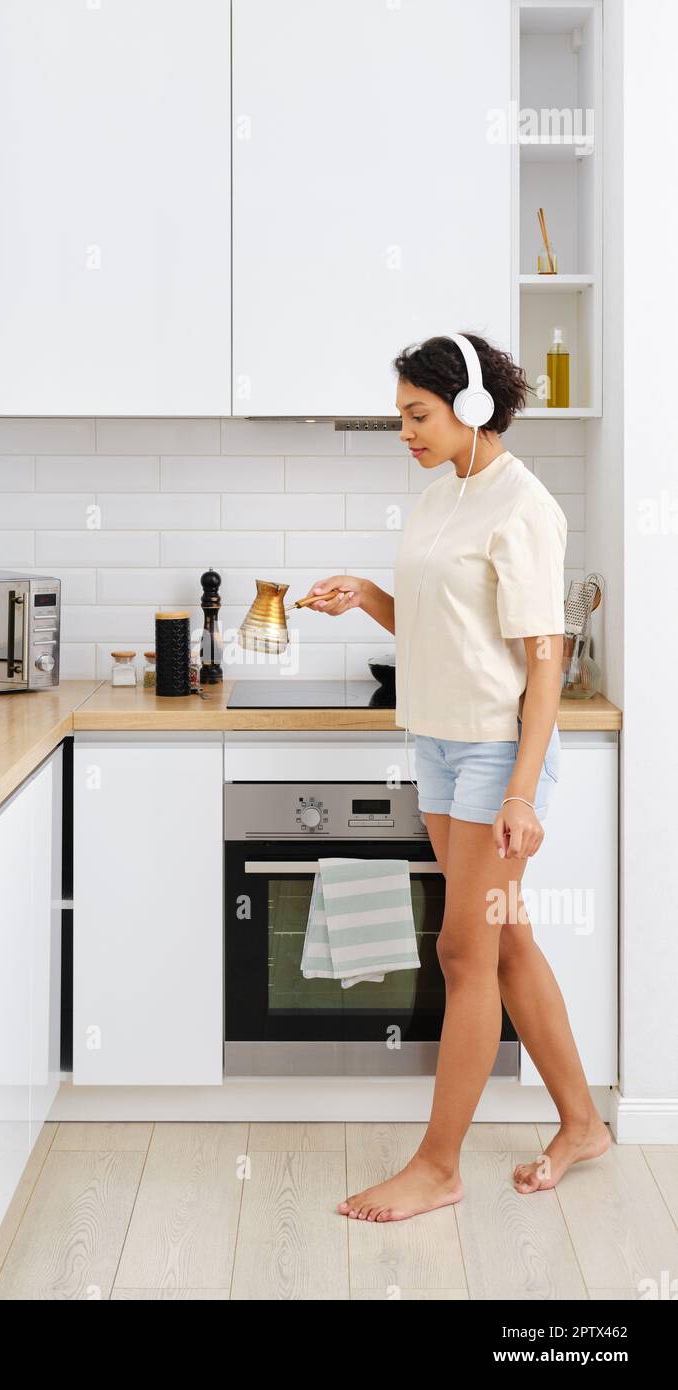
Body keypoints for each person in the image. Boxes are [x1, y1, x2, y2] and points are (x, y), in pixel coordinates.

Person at [305, 332, 611, 1222]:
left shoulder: (523, 507)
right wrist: (366, 595)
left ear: (470, 407)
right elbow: (440, 631)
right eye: (401, 415)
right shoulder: (441, 495)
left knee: (463, 951)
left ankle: (439, 1167)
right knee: (506, 942)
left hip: (493, 751)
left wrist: (522, 789)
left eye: (417, 414)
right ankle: (583, 1123)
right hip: (436, 742)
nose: (405, 430)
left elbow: (543, 661)